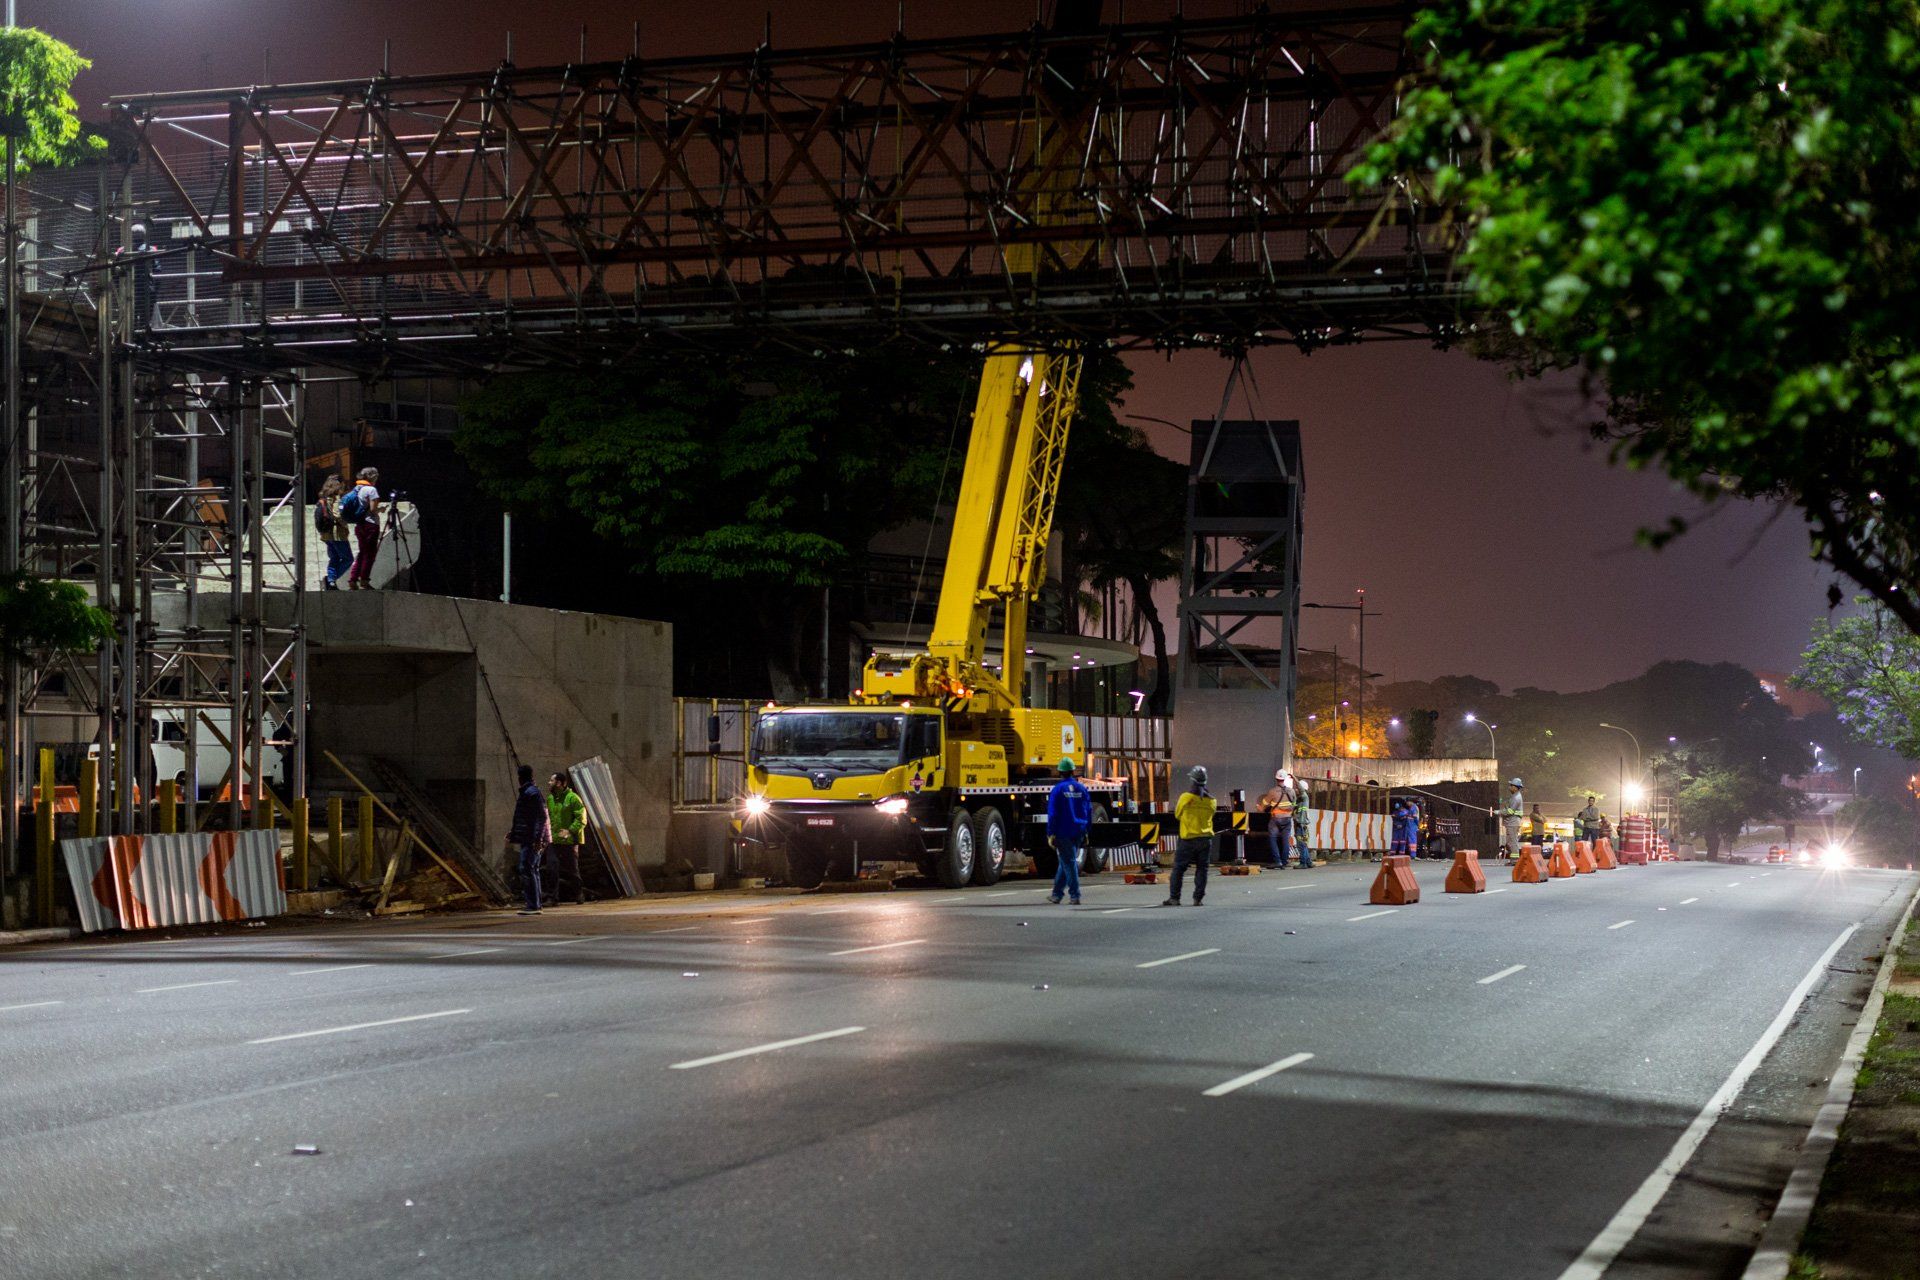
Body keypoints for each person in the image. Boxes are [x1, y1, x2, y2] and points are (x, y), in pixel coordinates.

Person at [1163, 766, 1216, 906]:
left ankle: (1174, 898)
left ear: (1192, 780)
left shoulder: (1186, 797)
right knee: (1202, 870)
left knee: (1179, 869)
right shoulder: (1212, 801)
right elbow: (1211, 815)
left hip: (1188, 839)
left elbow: (1178, 814)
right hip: (1205, 839)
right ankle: (1198, 899)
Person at [1045, 756, 1093, 905]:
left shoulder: (1058, 790)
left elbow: (1053, 814)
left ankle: (1075, 895)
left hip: (1062, 831)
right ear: (1073, 771)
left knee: (1069, 862)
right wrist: (1086, 830)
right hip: (1078, 830)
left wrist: (1050, 833)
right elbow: (1089, 810)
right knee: (1065, 862)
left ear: (1060, 772)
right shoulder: (1082, 789)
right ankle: (1057, 894)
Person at [508, 763, 550, 915]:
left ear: (520, 778)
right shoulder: (530, 792)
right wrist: (513, 833)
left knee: (526, 867)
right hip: (532, 837)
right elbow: (525, 818)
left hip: (532, 838)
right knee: (532, 869)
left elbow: (541, 817)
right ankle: (536, 904)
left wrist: (537, 839)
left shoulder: (530, 793)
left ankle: (533, 905)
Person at [546, 771, 589, 906]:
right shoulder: (550, 799)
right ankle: (553, 898)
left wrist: (570, 831)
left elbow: (582, 819)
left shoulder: (573, 798)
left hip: (569, 841)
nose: (549, 783)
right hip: (553, 841)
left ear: (559, 783)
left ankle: (578, 893)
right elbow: (548, 819)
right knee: (551, 868)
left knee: (572, 870)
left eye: (551, 781)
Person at [343, 466, 383, 590]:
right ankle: (364, 580)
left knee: (362, 553)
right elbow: (372, 509)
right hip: (370, 525)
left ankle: (353, 580)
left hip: (359, 524)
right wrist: (381, 509)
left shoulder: (357, 488)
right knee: (369, 554)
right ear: (373, 477)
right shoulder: (371, 490)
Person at [314, 475, 353, 591]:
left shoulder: (324, 497)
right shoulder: (336, 498)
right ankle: (331, 579)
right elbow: (337, 515)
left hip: (326, 534)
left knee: (334, 558)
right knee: (348, 559)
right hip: (337, 534)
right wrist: (346, 523)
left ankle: (331, 582)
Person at [1257, 770, 1295, 868]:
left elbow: (1263, 807)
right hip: (1287, 819)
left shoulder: (1272, 791)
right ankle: (1284, 861)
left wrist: (1259, 807)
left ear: (1276, 778)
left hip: (1276, 819)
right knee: (1285, 841)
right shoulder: (1291, 791)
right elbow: (1294, 805)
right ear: (1285, 778)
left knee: (1272, 839)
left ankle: (1277, 861)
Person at [1289, 774, 1316, 869]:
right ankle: (1308, 862)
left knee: (1301, 844)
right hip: (1300, 824)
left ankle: (1303, 863)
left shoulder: (1304, 797)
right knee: (1304, 844)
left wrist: (1294, 779)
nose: (1295, 790)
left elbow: (1300, 789)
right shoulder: (1299, 800)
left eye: (1297, 788)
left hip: (1301, 825)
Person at [1501, 778, 1526, 860]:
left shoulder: (1516, 798)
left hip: (1513, 822)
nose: (1509, 787)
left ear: (1515, 787)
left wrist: (1499, 812)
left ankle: (1515, 860)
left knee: (1512, 842)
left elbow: (1510, 811)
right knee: (1509, 842)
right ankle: (1513, 859)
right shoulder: (1515, 796)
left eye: (1511, 785)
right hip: (1512, 822)